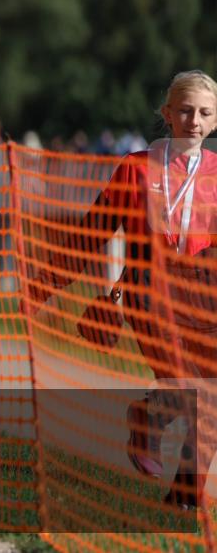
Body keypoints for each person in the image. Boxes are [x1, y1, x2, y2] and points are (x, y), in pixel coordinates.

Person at [29, 70, 217, 510]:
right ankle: (158, 432)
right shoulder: (135, 168)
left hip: (204, 300)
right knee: (197, 392)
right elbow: (90, 236)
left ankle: (179, 490)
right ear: (167, 114)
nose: (193, 120)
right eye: (185, 111)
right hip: (148, 294)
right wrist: (40, 289)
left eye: (204, 113)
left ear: (214, 121)